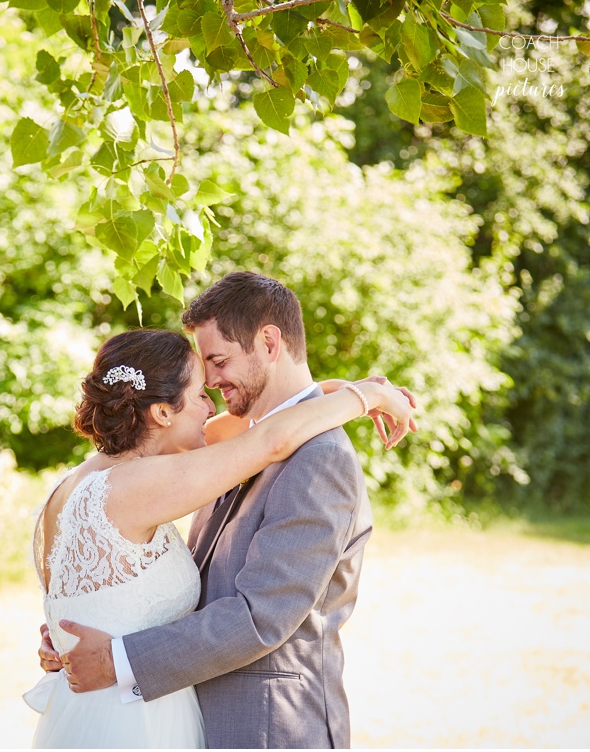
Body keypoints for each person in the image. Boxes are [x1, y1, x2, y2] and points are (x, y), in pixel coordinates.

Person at [27, 275, 416, 749]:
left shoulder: (319, 457)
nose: (209, 384)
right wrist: (363, 395)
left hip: (267, 727)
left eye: (218, 360)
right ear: (161, 414)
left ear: (269, 342)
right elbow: (268, 437)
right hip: (145, 719)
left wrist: (104, 651)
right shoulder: (191, 463)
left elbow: (261, 616)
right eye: (200, 383)